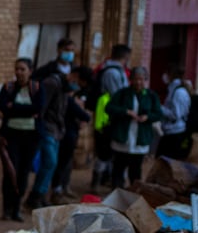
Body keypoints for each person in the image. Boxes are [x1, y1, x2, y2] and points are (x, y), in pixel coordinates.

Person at [0, 58, 44, 222]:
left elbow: (37, 109)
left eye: (23, 69)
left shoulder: (36, 88)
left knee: (24, 172)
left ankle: (17, 208)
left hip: (30, 137)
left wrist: (14, 108)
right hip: (11, 136)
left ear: (30, 70)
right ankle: (6, 208)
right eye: (17, 69)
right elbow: (3, 107)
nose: (19, 72)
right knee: (10, 171)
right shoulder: (8, 87)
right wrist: (24, 110)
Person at [107, 65, 162, 189]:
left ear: (145, 80)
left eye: (141, 79)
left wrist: (147, 117)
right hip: (122, 138)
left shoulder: (151, 95)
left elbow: (158, 114)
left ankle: (134, 194)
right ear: (131, 79)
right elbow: (109, 108)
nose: (138, 82)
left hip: (140, 139)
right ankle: (116, 193)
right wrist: (126, 112)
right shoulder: (122, 94)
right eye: (136, 79)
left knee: (135, 170)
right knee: (118, 169)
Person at [90, 44, 131, 189]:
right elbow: (117, 95)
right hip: (107, 117)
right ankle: (97, 181)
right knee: (104, 151)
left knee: (110, 151)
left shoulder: (114, 70)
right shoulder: (113, 72)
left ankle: (104, 178)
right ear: (125, 57)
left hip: (111, 116)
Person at [51, 65, 94, 201]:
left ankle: (62, 187)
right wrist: (84, 115)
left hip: (70, 130)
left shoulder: (75, 93)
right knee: (61, 162)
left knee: (66, 162)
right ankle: (57, 189)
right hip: (66, 132)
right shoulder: (67, 94)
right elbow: (82, 113)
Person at [26, 72, 67, 210]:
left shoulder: (64, 88)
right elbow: (42, 108)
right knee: (50, 162)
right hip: (47, 129)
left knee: (50, 164)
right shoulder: (52, 84)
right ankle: (36, 195)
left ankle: (40, 194)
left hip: (56, 131)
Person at [159, 72, 195, 161]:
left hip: (175, 132)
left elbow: (175, 115)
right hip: (172, 131)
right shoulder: (174, 89)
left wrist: (160, 108)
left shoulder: (178, 92)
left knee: (166, 161)